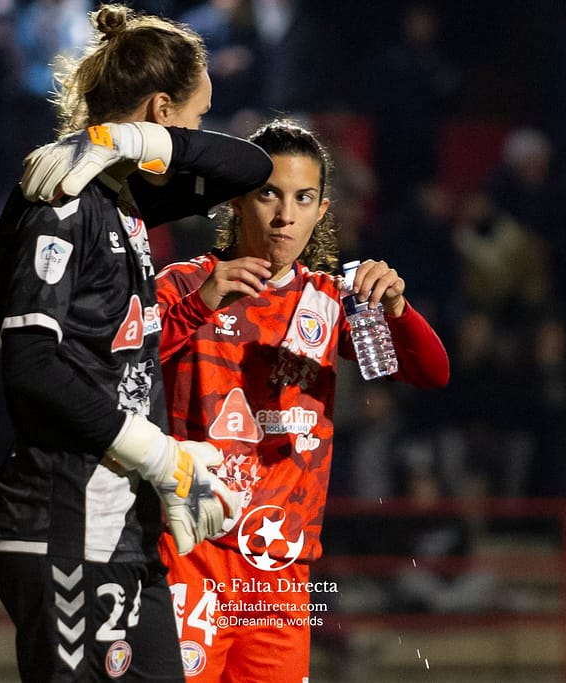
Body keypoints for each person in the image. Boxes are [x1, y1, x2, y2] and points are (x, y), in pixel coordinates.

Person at [0, 5, 272, 681]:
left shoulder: (121, 190)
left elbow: (246, 166)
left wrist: (126, 142)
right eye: (194, 116)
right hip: (62, 523)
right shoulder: (61, 196)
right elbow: (31, 367)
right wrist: (159, 453)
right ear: (163, 106)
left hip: (120, 533)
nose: (199, 133)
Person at [152, 119, 450, 681]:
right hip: (193, 554)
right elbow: (116, 358)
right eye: (269, 194)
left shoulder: (331, 301)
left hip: (281, 566)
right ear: (238, 201)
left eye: (302, 198)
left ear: (321, 210)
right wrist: (200, 306)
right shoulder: (185, 283)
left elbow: (431, 373)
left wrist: (398, 311)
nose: (285, 214)